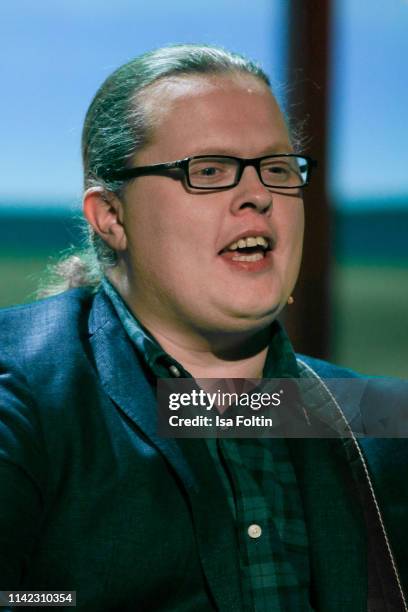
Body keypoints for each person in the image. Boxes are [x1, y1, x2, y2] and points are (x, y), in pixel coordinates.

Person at [0, 44, 407, 612]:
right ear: (111, 217)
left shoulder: (374, 419)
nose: (259, 195)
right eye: (209, 170)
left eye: (278, 168)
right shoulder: (21, 394)